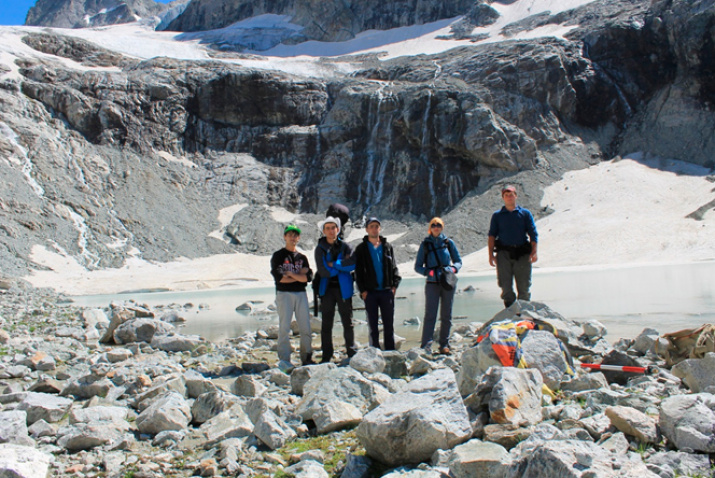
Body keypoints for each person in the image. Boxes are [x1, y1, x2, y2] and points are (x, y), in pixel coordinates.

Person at [414, 217, 462, 355]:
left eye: (439, 225)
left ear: (442, 227)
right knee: (430, 315)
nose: (436, 227)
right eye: (434, 225)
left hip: (447, 282)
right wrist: (428, 272)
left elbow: (458, 261)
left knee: (447, 314)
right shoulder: (425, 245)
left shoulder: (448, 243)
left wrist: (453, 269)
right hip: (432, 284)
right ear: (430, 227)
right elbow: (417, 266)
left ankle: (444, 345)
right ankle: (426, 346)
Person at [270, 225, 315, 372]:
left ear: (299, 238)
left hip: (301, 294)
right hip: (284, 294)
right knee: (284, 327)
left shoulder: (302, 258)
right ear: (284, 237)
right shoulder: (278, 256)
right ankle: (284, 359)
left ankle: (306, 357)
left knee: (305, 327)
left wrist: (290, 274)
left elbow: (308, 278)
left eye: (295, 235)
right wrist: (299, 276)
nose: (293, 237)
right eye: (290, 235)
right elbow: (280, 279)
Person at [354, 217, 401, 350]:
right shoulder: (361, 248)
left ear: (380, 228)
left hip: (387, 291)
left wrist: (394, 286)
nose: (374, 229)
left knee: (389, 324)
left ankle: (390, 351)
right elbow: (358, 271)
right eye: (371, 226)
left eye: (376, 226)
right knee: (372, 325)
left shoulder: (387, 246)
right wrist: (362, 290)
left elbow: (394, 267)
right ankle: (374, 351)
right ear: (367, 229)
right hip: (370, 292)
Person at [488, 185, 539, 308]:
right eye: (506, 195)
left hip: (522, 253)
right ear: (503, 198)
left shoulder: (525, 214)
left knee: (524, 285)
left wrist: (534, 252)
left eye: (511, 195)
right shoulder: (497, 216)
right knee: (505, 286)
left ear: (516, 196)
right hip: (503, 254)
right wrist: (491, 255)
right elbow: (491, 236)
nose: (509, 197)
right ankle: (510, 311)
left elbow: (533, 233)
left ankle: (524, 314)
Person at [314, 216, 357, 363]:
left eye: (333, 228)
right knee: (326, 323)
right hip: (327, 289)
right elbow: (323, 270)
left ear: (338, 229)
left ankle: (351, 350)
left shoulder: (346, 246)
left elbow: (352, 265)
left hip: (343, 289)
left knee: (347, 321)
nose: (331, 231)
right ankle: (327, 354)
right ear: (323, 231)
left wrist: (334, 264)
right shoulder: (319, 249)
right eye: (328, 228)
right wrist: (340, 267)